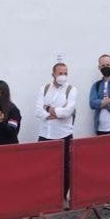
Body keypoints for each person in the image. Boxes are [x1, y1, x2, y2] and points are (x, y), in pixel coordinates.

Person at [36, 63, 77, 203]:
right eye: (60, 73)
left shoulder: (71, 90)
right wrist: (52, 113)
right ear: (53, 74)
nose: (63, 76)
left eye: (65, 73)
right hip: (45, 133)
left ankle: (62, 195)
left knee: (65, 166)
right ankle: (44, 194)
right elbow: (38, 110)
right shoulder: (44, 88)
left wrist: (48, 108)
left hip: (63, 133)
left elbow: (68, 111)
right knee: (42, 165)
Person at [0, 80, 22, 145]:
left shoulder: (13, 109)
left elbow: (12, 132)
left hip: (8, 147)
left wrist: (1, 121)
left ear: (4, 94)